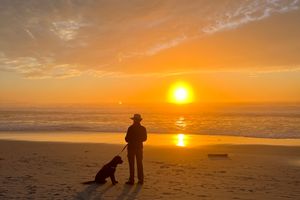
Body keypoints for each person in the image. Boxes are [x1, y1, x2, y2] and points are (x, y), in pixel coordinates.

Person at [125, 114, 147, 185]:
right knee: (139, 164)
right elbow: (144, 139)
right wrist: (137, 140)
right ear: (139, 120)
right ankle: (140, 180)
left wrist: (132, 140)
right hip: (139, 148)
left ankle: (131, 180)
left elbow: (126, 139)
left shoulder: (130, 128)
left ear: (134, 120)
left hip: (131, 148)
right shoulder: (143, 128)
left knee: (131, 164)